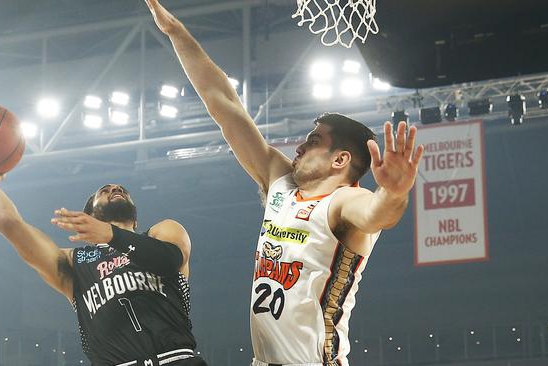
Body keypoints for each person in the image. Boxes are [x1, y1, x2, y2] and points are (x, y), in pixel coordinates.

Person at [143, 1, 425, 365]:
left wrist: (395, 190)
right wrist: (176, 33)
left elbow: (377, 214)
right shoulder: (282, 183)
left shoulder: (343, 203)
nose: (300, 145)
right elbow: (223, 104)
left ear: (340, 160)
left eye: (314, 141)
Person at [0, 159, 207, 366]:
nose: (115, 188)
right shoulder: (73, 263)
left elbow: (168, 261)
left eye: (121, 189)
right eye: (105, 190)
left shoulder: (162, 232)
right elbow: (8, 223)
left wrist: (110, 234)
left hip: (177, 360)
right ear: (89, 215)